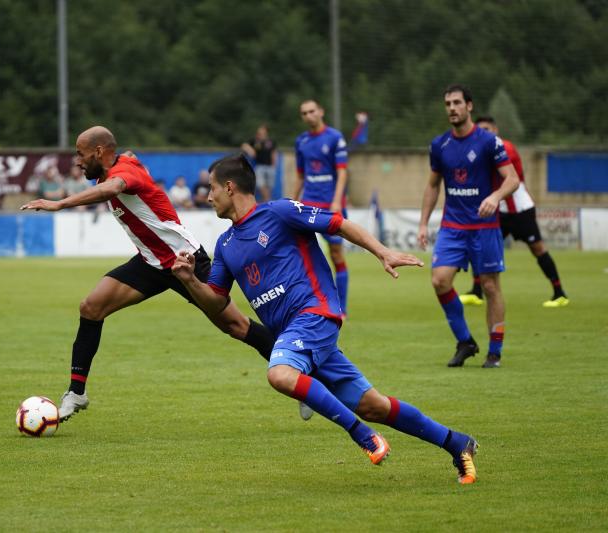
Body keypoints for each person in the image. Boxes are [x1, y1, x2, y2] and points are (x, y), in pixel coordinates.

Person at [171, 153, 479, 484]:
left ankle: (362, 435)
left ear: (229, 187)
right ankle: (456, 442)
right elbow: (216, 303)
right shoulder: (226, 243)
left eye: (212, 188)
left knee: (280, 374)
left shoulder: (280, 212)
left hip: (314, 314)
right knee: (373, 405)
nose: (208, 196)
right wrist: (189, 280)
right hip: (296, 333)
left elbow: (340, 223)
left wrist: (383, 252)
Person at [20, 126, 277, 422]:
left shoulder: (123, 173)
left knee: (236, 326)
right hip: (151, 262)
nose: (77, 162)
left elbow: (113, 188)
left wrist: (60, 203)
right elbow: (121, 167)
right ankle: (76, 393)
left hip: (184, 260)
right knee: (91, 307)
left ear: (99, 152)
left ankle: (299, 371)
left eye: (80, 154)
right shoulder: (120, 165)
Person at [418, 85, 520, 369]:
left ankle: (495, 351)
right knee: (439, 280)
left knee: (489, 286)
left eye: (457, 103)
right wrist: (423, 223)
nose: (452, 108)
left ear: (469, 106)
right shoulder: (439, 145)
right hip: (453, 226)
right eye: (448, 103)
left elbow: (511, 179)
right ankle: (465, 341)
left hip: (485, 227)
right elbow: (432, 185)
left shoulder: (489, 142)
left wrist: (495, 196)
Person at [459, 116, 569, 308]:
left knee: (538, 249)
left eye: (487, 129)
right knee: (481, 248)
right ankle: (477, 292)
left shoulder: (505, 147)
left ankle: (559, 293)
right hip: (498, 211)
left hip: (520, 210)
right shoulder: (480, 149)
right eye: (480, 130)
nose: (483, 133)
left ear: (495, 129)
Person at [293, 100, 351, 318]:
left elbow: (343, 172)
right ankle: (309, 304)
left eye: (311, 111)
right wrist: (293, 200)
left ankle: (341, 308)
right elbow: (300, 175)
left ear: (321, 112)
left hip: (330, 204)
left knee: (337, 253)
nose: (308, 115)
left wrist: (337, 201)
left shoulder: (335, 138)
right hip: (308, 204)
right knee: (302, 255)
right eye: (304, 113)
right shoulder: (301, 141)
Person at [241, 124, 278, 202]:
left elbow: (274, 153)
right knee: (260, 184)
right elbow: (244, 145)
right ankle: (268, 200)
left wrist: (274, 165)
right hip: (259, 166)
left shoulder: (271, 141)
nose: (261, 132)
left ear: (266, 132)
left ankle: (266, 201)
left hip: (270, 166)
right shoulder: (254, 141)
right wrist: (250, 150)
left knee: (269, 186)